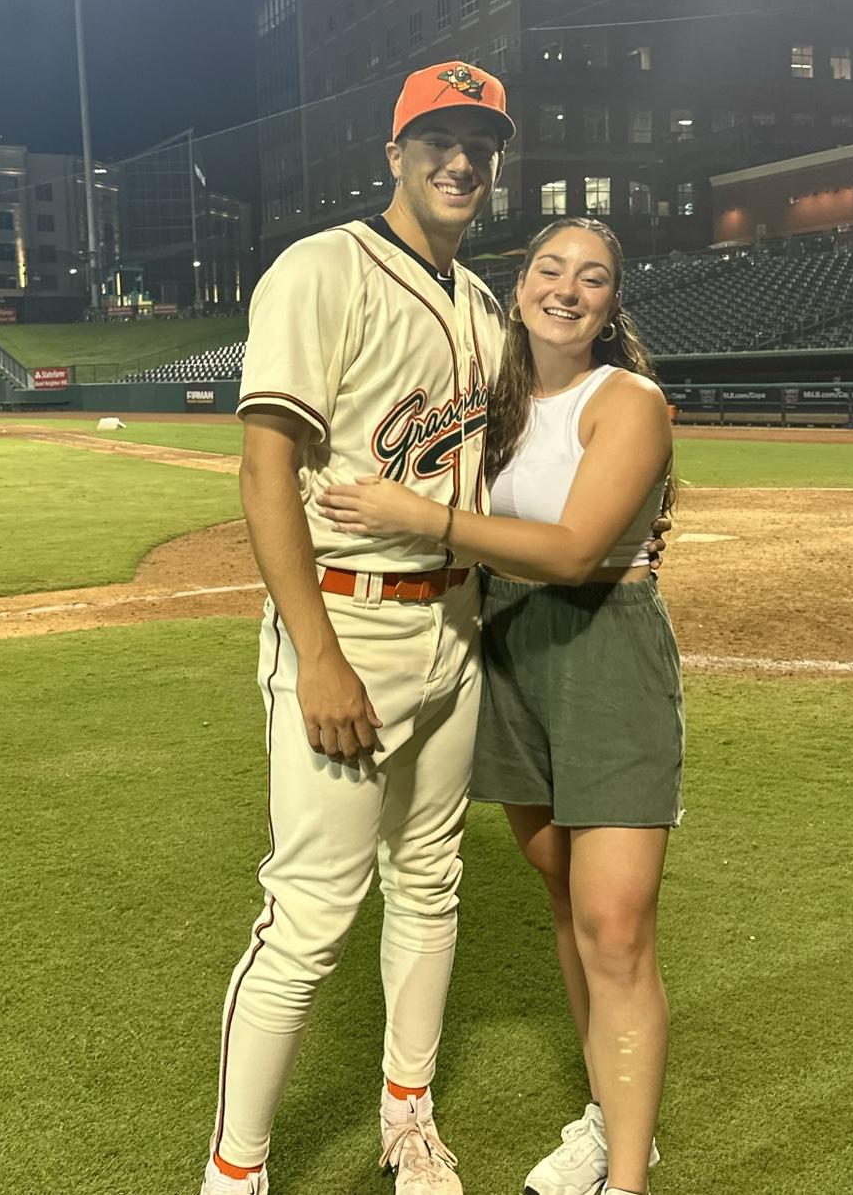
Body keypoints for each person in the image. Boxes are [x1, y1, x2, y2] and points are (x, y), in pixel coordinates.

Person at [202, 62, 514, 1195]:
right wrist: (320, 657)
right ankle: (234, 1173)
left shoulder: (483, 305)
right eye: (438, 139)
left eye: (480, 143)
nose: (460, 161)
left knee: (430, 879)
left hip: (457, 630)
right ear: (395, 152)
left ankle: (407, 1117)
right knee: (310, 917)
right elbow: (264, 472)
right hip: (349, 621)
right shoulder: (322, 268)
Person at [321, 217, 681, 1195]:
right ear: (518, 290)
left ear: (611, 305)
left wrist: (423, 518)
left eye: (592, 278)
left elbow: (573, 551)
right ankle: (612, 1116)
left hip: (605, 647)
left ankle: (626, 1182)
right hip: (512, 648)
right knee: (565, 896)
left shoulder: (628, 400)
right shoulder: (494, 407)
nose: (568, 288)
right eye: (550, 270)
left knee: (616, 926)